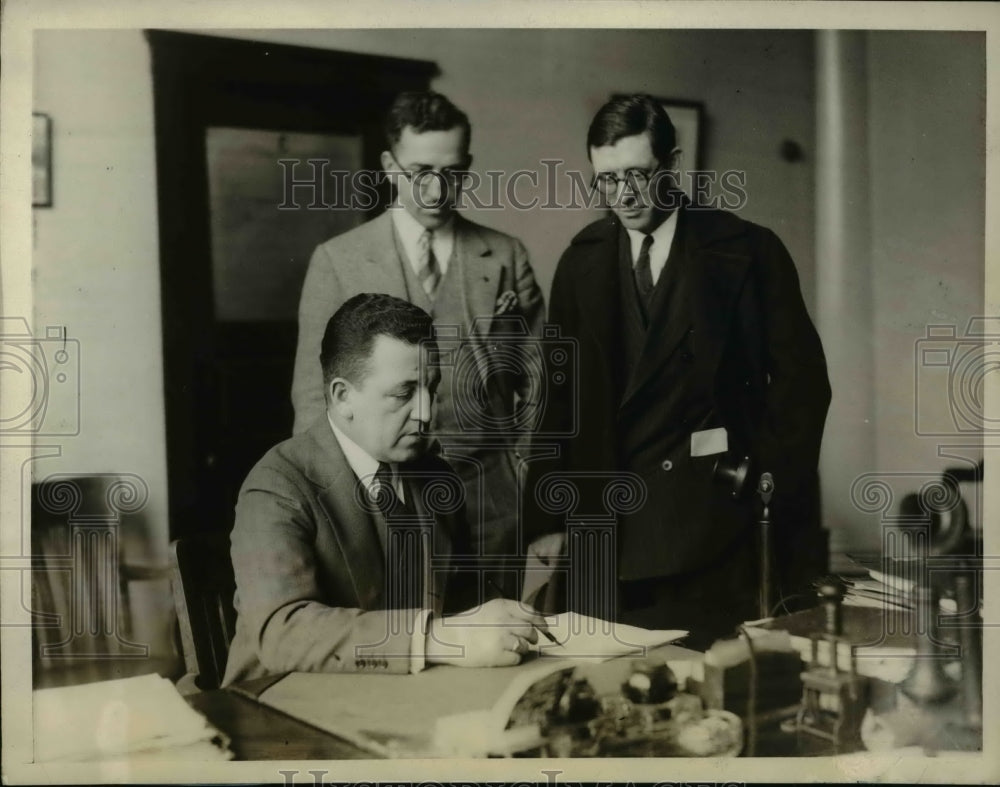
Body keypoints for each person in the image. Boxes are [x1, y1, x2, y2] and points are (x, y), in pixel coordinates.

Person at [527, 95, 831, 647]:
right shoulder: (581, 262)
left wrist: (759, 482)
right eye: (607, 180)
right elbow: (560, 398)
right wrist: (548, 513)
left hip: (716, 533)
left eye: (638, 176)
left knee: (709, 696)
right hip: (607, 534)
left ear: (672, 166)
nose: (623, 196)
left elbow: (803, 387)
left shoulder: (748, 252)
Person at [291, 91, 545, 599]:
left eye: (451, 172)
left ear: (468, 167)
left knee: (500, 641)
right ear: (389, 166)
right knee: (407, 647)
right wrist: (341, 506)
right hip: (387, 499)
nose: (435, 189)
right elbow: (313, 400)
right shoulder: (338, 261)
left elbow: (540, 382)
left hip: (491, 503)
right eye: (419, 171)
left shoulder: (505, 255)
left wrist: (519, 471)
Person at [224, 294, 547, 686]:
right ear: (343, 397)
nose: (426, 413)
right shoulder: (277, 485)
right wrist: (439, 636)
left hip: (396, 695)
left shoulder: (434, 475)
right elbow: (281, 632)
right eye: (403, 393)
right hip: (278, 706)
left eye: (431, 388)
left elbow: (463, 601)